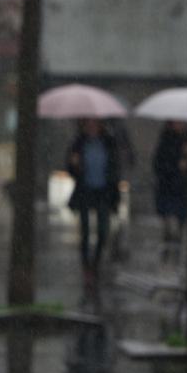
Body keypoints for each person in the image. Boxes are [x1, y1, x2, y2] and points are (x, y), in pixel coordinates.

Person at [67, 118, 121, 285]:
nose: (92, 127)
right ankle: (86, 266)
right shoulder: (79, 143)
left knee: (102, 231)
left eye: (95, 123)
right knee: (84, 232)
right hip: (85, 191)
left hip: (103, 192)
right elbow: (70, 167)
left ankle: (95, 264)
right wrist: (75, 165)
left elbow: (115, 167)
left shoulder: (109, 143)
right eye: (88, 124)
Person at [152, 120, 187, 249]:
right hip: (167, 185)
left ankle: (177, 239)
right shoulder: (165, 141)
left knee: (181, 215)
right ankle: (169, 237)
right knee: (168, 213)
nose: (180, 125)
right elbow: (158, 164)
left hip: (182, 187)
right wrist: (174, 167)